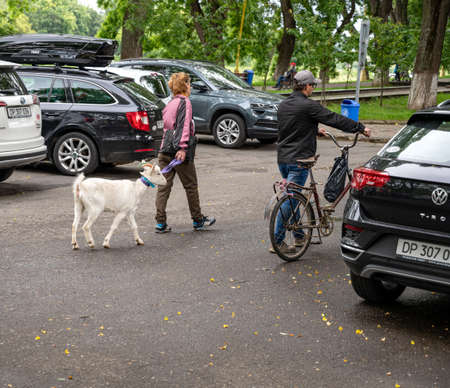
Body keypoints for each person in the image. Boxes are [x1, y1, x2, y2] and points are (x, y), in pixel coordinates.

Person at [270, 70, 371, 253]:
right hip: (300, 159)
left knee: (293, 197)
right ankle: (277, 241)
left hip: (283, 158)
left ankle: (300, 237)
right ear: (306, 86)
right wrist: (360, 128)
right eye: (312, 86)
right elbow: (334, 119)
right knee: (290, 201)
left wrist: (314, 130)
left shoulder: (284, 104)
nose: (313, 89)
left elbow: (291, 126)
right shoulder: (309, 106)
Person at [155, 72, 215, 233]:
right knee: (191, 186)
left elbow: (168, 128)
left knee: (163, 187)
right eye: (189, 84)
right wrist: (182, 148)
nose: (190, 87)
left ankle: (160, 222)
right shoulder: (184, 102)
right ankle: (198, 220)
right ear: (184, 85)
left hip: (164, 150)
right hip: (178, 152)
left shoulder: (169, 104)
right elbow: (183, 126)